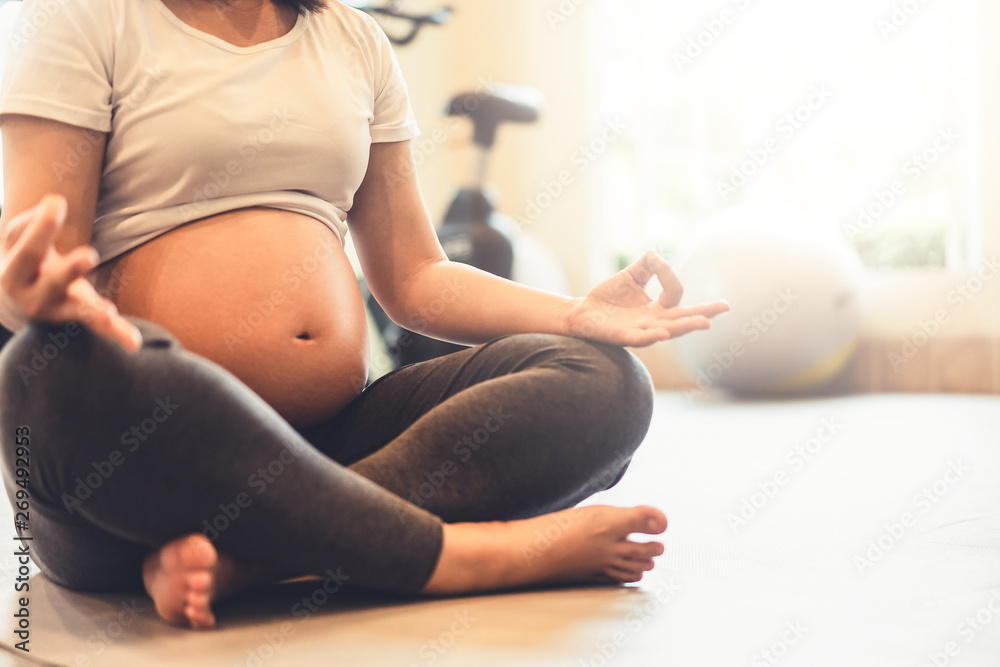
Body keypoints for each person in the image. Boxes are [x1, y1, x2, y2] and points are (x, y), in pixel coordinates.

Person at [0, 0, 728, 630]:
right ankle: (470, 557)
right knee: (47, 369)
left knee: (606, 381)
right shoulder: (84, 17)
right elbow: (33, 266)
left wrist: (575, 314)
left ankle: (253, 557)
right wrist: (29, 296)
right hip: (147, 470)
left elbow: (416, 277)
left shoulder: (351, 41)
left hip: (333, 447)